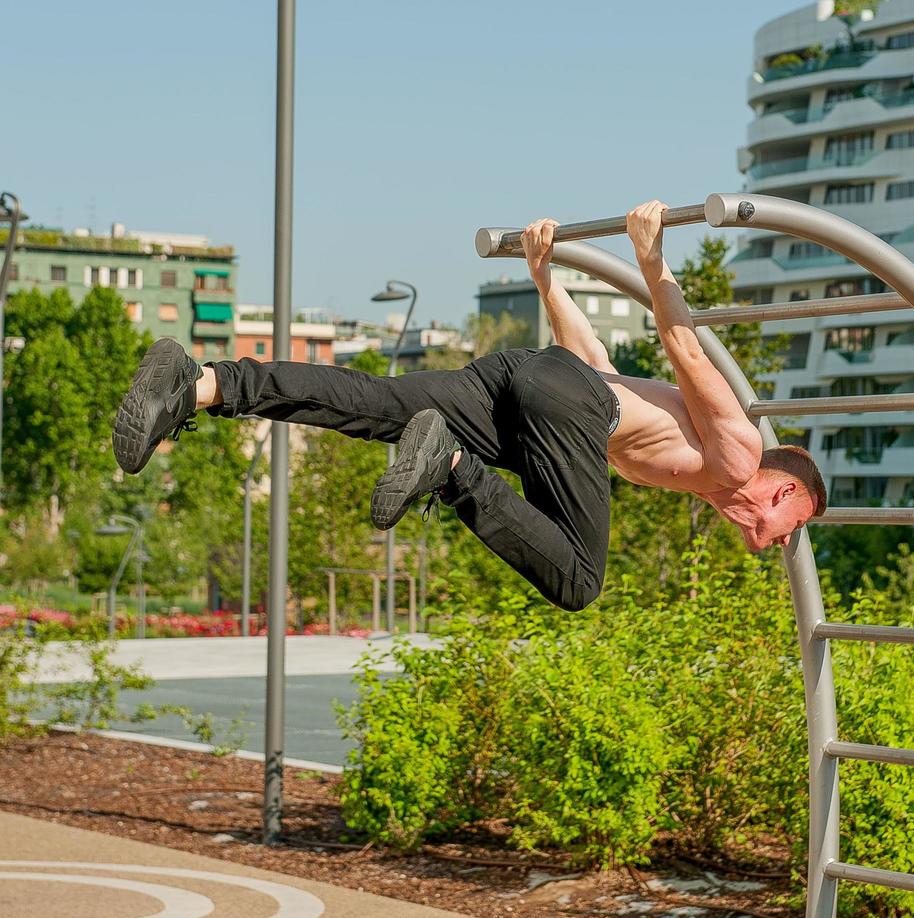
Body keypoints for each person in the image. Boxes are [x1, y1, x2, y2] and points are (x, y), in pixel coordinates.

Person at [112, 201, 825, 612]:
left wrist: (544, 279)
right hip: (561, 409)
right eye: (778, 525)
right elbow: (686, 349)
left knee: (373, 403)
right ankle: (450, 463)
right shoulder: (735, 455)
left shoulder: (700, 467)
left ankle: (201, 383)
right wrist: (651, 259)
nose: (762, 541)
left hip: (536, 384)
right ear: (783, 485)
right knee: (578, 584)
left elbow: (594, 366)